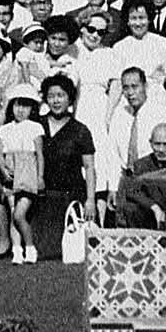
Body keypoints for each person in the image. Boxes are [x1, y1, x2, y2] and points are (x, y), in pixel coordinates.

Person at [34, 73, 98, 259]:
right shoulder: (37, 125)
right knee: (45, 252)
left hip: (71, 197)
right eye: (51, 96)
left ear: (70, 99)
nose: (56, 100)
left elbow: (89, 167)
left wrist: (91, 200)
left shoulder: (80, 130)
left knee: (68, 250)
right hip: (43, 197)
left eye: (61, 95)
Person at [110, 122, 166, 228]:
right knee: (131, 208)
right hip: (150, 220)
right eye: (157, 144)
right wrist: (154, 207)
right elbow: (133, 191)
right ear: (150, 143)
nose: (161, 150)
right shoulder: (141, 165)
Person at [0, 83, 45, 264]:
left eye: (26, 105)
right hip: (10, 172)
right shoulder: (5, 129)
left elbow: (39, 154)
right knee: (13, 211)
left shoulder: (36, 128)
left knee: (19, 214)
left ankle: (30, 247)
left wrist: (39, 177)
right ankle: (17, 251)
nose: (21, 110)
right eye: (17, 105)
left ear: (32, 108)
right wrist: (3, 171)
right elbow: (0, 155)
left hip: (28, 173)